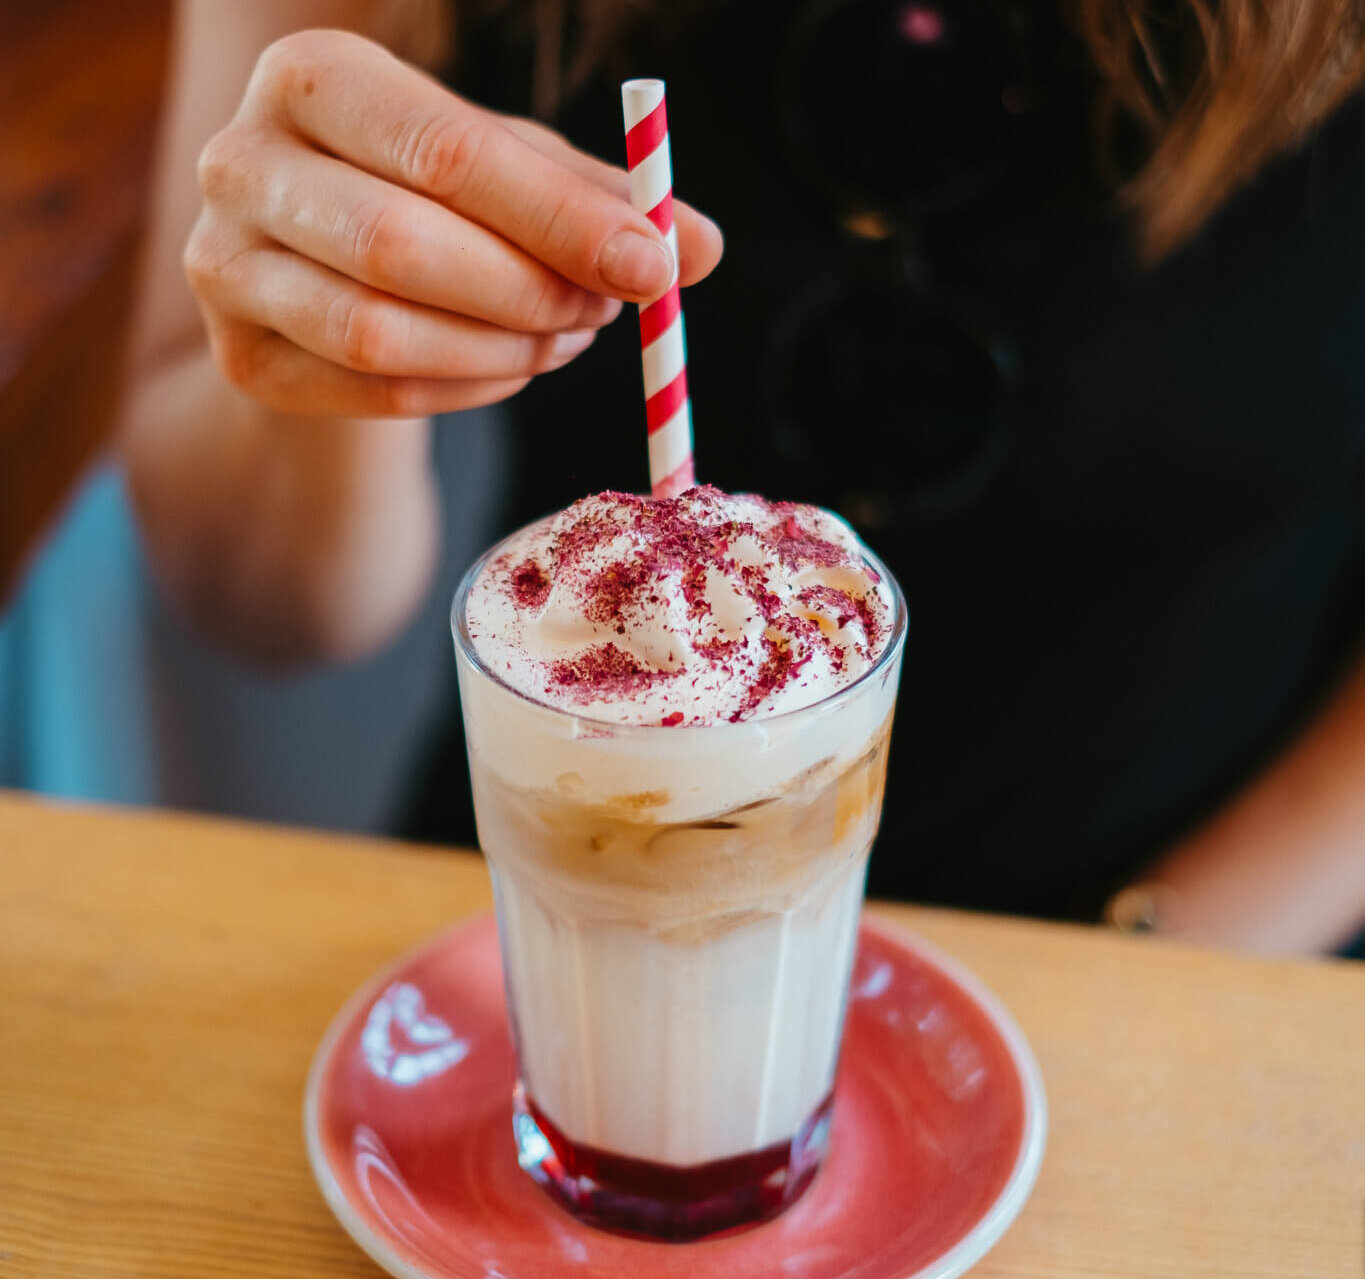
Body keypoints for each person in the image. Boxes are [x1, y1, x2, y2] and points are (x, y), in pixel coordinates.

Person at [118, 0, 1365, 955]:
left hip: (1194, 933)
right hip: (560, 913)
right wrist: (343, 321)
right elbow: (256, 600)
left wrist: (1156, 954)